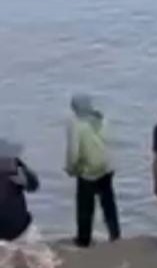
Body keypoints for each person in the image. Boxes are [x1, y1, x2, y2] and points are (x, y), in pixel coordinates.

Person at [65, 94, 120, 247]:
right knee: (109, 205)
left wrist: (71, 169)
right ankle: (115, 235)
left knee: (85, 209)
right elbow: (111, 142)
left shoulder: (75, 124)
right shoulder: (102, 119)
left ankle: (84, 240)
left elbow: (74, 152)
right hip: (106, 168)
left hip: (88, 172)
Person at [0, 139, 54, 268]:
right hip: (11, 234)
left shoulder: (12, 164)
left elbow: (33, 186)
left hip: (23, 230)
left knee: (46, 262)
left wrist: (24, 176)